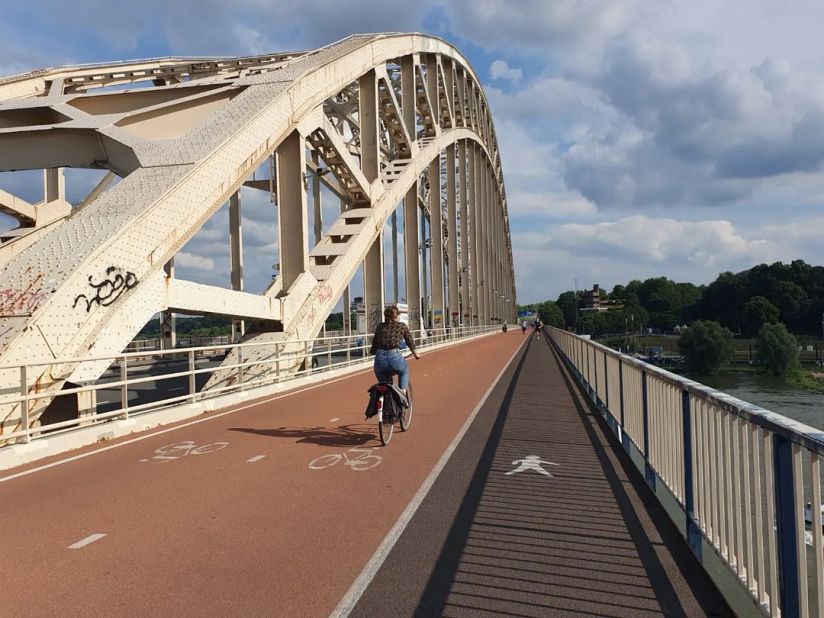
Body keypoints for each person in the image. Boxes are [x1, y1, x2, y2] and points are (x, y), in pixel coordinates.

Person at [370, 305, 419, 398]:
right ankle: (402, 395)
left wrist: (372, 352)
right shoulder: (401, 326)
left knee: (384, 384)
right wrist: (415, 352)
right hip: (394, 356)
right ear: (396, 316)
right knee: (404, 371)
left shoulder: (380, 327)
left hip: (380, 358)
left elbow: (375, 343)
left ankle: (385, 401)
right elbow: (409, 340)